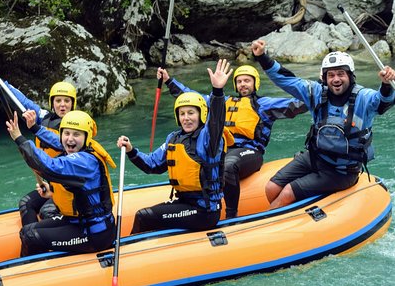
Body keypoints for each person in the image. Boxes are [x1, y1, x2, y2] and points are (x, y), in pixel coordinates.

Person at [252, 39, 395, 208]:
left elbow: (383, 102)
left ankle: (273, 227)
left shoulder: (364, 97)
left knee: (288, 192)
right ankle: (295, 213)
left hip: (342, 171)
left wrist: (386, 85)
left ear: (350, 75)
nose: (335, 79)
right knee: (271, 187)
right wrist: (262, 57)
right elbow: (285, 79)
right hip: (315, 157)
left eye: (341, 73)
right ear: (325, 78)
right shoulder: (316, 93)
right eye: (331, 75)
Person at [157, 62, 307, 218]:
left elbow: (295, 105)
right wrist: (168, 80)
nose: (243, 84)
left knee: (228, 165)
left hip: (250, 152)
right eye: (239, 81)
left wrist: (317, 96)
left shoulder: (263, 104)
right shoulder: (223, 101)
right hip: (224, 151)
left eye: (247, 81)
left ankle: (231, 215)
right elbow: (191, 97)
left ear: (255, 83)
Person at [117, 59, 232, 234]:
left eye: (191, 113)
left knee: (144, 216)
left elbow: (216, 119)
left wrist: (217, 91)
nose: (186, 118)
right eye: (182, 113)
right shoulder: (174, 138)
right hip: (183, 202)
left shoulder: (208, 138)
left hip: (205, 210)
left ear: (201, 115)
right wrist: (131, 150)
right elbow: (151, 165)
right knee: (148, 215)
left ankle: (132, 255)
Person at [6, 109, 117, 256]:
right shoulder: (80, 149)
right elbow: (55, 140)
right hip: (77, 221)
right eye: (67, 133)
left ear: (86, 136)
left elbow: (48, 167)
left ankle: (35, 274)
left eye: (76, 134)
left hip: (94, 233)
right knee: (27, 230)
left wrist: (20, 139)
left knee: (31, 236)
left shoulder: (85, 161)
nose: (70, 139)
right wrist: (34, 127)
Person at [0, 70, 77, 225]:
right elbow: (23, 101)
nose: (62, 105)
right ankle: (31, 241)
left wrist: (33, 128)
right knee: (26, 203)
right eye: (58, 100)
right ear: (52, 102)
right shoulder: (43, 117)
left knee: (46, 211)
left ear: (72, 104)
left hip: (69, 187)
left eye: (67, 101)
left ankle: (51, 237)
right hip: (50, 183)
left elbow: (58, 142)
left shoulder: (77, 128)